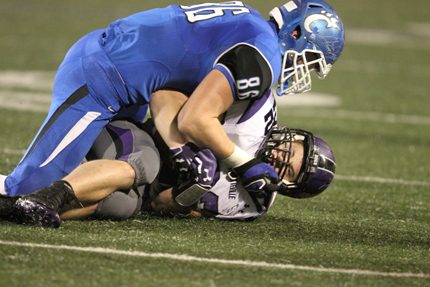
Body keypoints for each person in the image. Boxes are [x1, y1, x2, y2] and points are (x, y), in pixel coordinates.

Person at [0, 1, 344, 200]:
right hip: (105, 77)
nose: (303, 70)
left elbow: (170, 90)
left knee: (118, 184)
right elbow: (195, 118)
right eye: (310, 60)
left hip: (127, 77)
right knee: (24, 190)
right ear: (296, 33)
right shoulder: (264, 56)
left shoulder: (253, 24)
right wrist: (243, 162)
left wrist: (180, 148)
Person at [2, 90, 336, 228]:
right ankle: (46, 197)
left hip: (143, 188)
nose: (281, 158)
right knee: (145, 162)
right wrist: (186, 147)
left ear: (288, 188)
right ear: (290, 134)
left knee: (125, 207)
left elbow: (159, 206)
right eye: (291, 150)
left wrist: (190, 190)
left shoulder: (252, 204)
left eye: (289, 169)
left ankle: (15, 207)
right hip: (131, 135)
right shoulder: (252, 116)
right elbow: (165, 94)